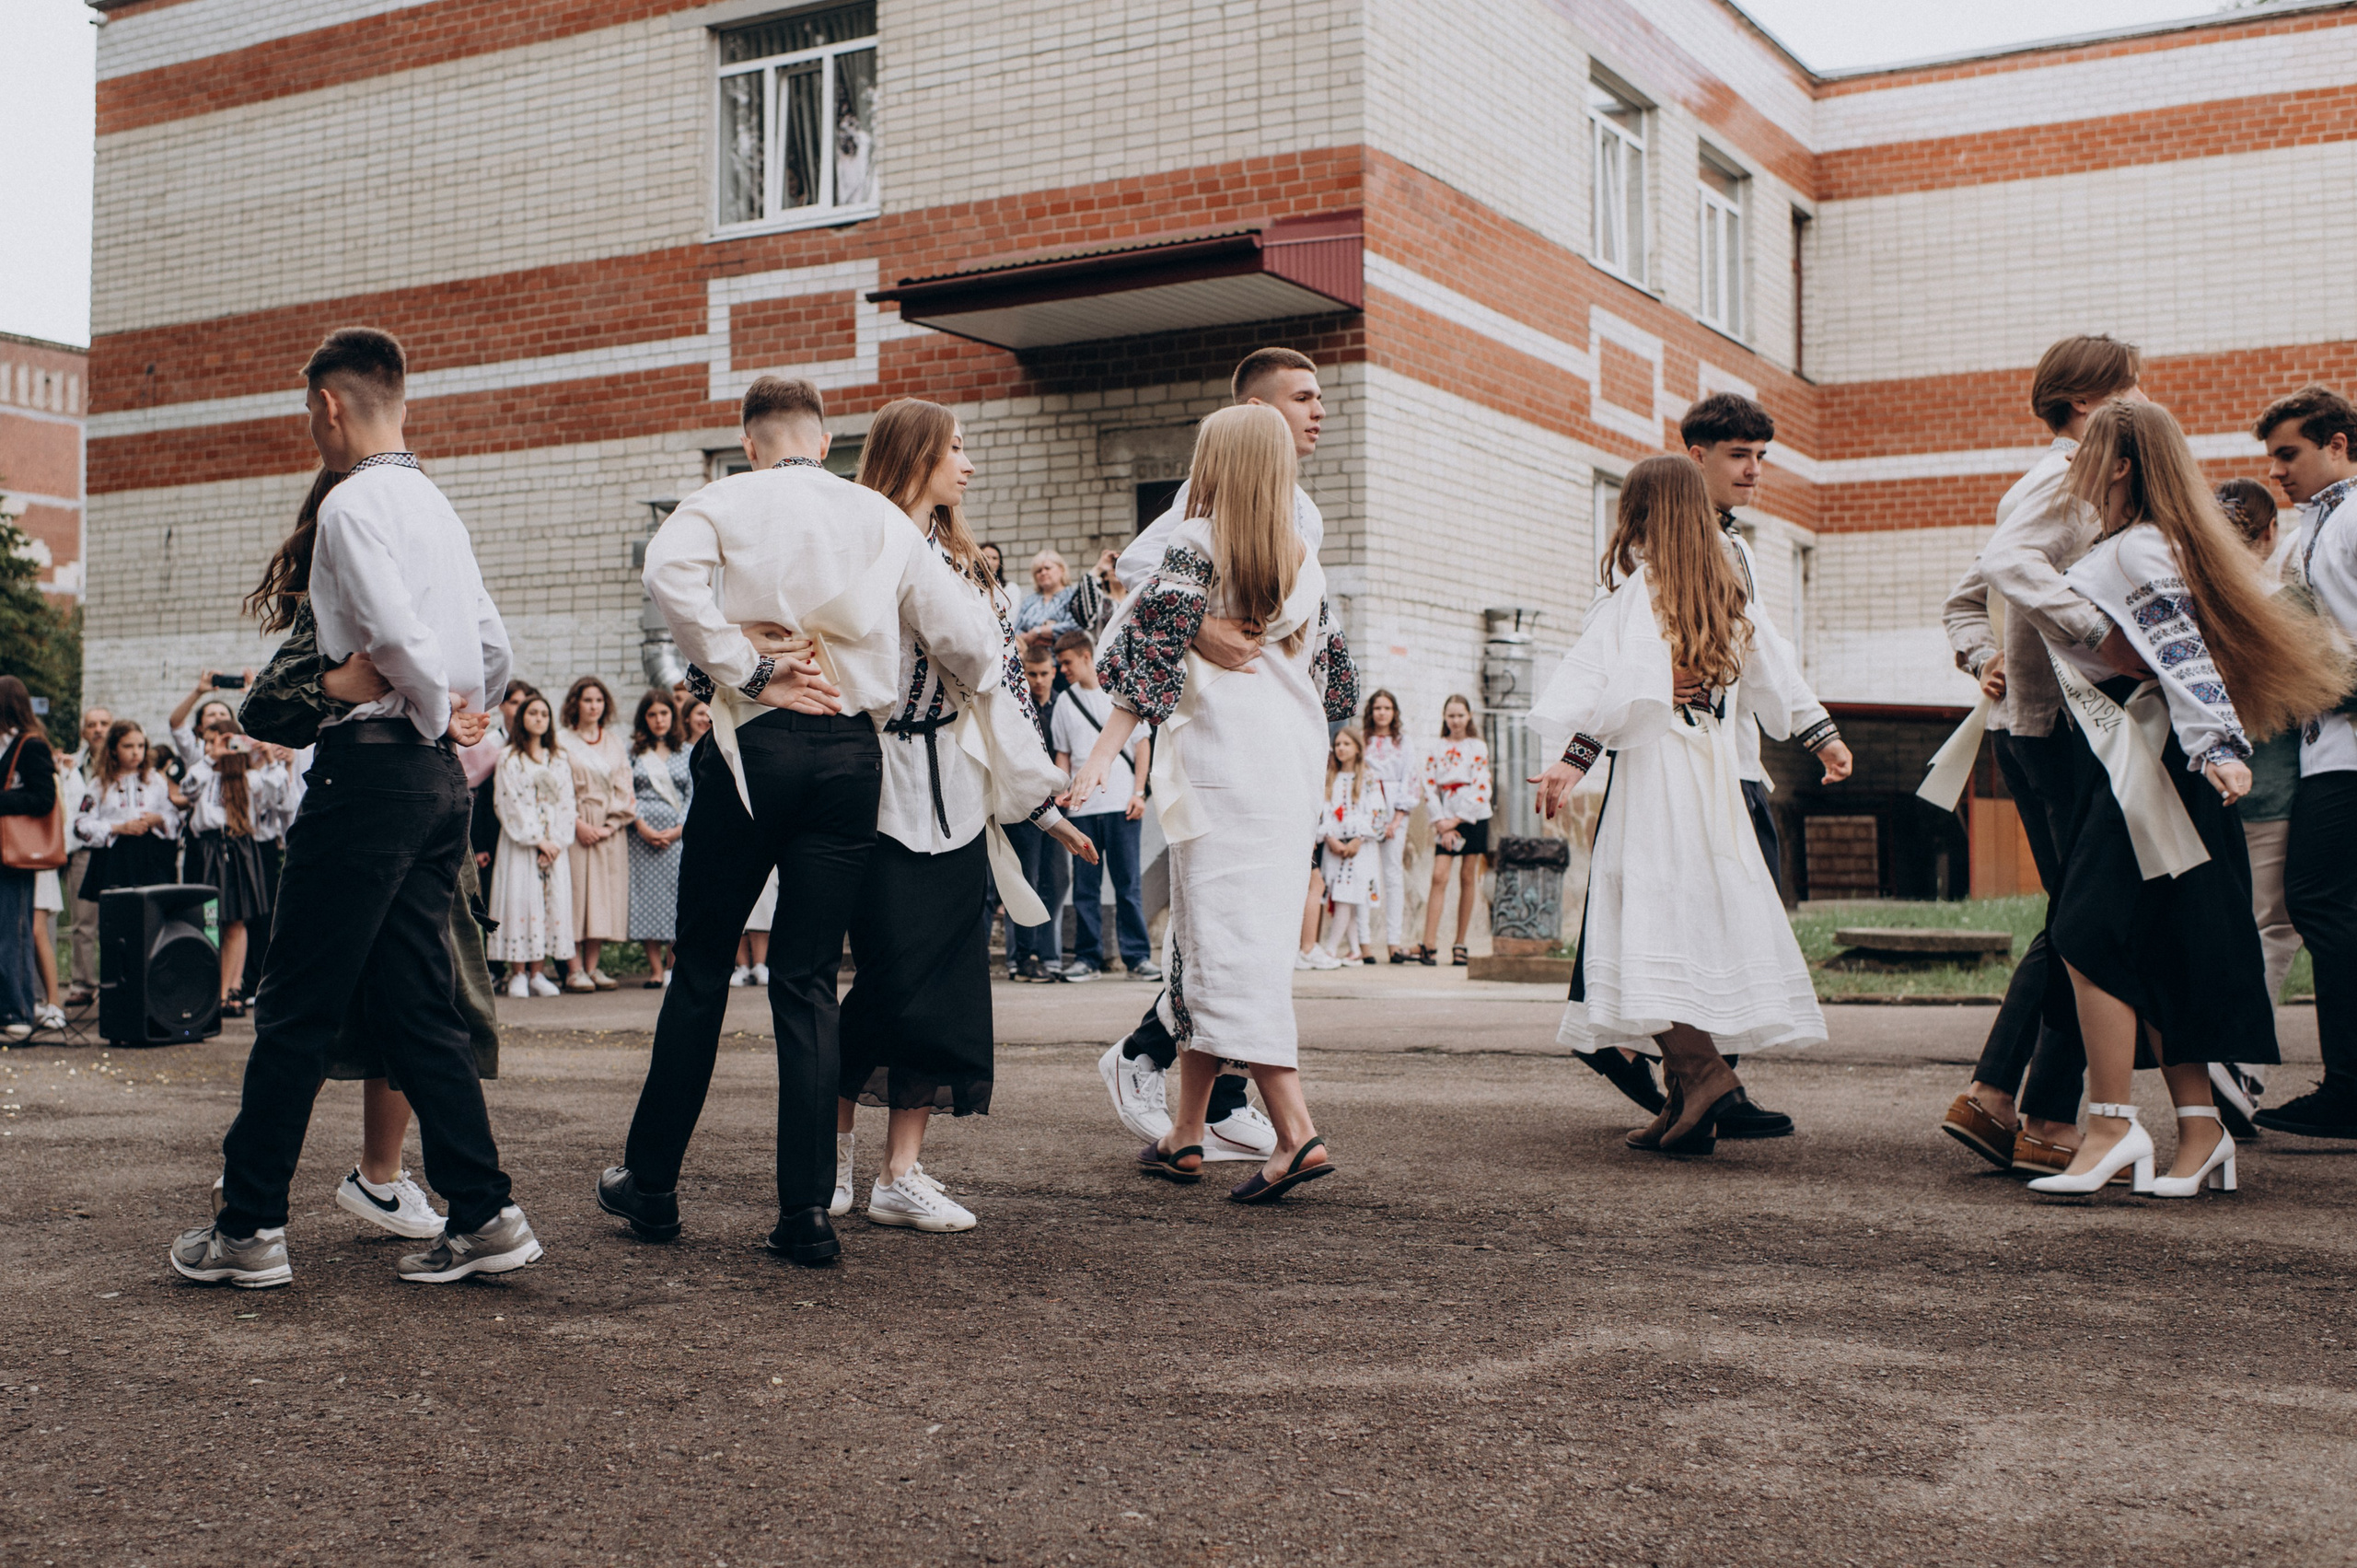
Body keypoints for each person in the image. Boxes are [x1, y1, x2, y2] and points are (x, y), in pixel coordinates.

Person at [601, 374, 1018, 1266]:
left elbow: (664, 572)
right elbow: (977, 648)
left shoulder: (723, 497)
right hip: (850, 757)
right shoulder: (880, 519)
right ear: (824, 440)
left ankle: (654, 1184)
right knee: (805, 979)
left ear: (750, 442)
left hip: (755, 750)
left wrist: (747, 666)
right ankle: (804, 1213)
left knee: (705, 968)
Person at [172, 326, 538, 1288]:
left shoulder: (350, 506)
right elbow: (489, 645)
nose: (309, 426)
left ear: (329, 406)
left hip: (370, 773)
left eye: (307, 410)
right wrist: (461, 710)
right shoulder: (435, 504)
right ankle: (485, 1209)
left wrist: (421, 698)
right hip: (434, 783)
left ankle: (248, 1226)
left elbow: (396, 634)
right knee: (421, 1004)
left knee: (294, 1003)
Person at [2023, 400, 2347, 1198]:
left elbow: (2178, 650)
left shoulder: (2138, 549)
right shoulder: (2145, 542)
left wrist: (2218, 746)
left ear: (2124, 466)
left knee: (2086, 932)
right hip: (2149, 754)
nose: (2075, 467)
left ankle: (2108, 1124)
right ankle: (2200, 1131)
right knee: (2164, 940)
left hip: (2158, 760)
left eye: (2088, 454)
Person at [1075, 401, 1358, 1202]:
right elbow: (1340, 683)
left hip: (1223, 769)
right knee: (1218, 943)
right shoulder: (1305, 558)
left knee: (1228, 952)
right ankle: (1186, 1133)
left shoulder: (1195, 543)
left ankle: (1296, 1133)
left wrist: (1103, 753)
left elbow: (1150, 653)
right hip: (1289, 766)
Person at [831, 398, 1093, 1233]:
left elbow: (998, 691)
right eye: (954, 448)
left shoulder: (961, 556)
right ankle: (828, 1158)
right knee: (883, 981)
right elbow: (979, 656)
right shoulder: (868, 538)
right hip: (877, 783)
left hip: (956, 786)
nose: (968, 463)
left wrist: (1043, 807)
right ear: (916, 456)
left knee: (944, 985)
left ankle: (899, 1172)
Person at [1529, 456, 1827, 1156]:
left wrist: (1568, 765)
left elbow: (1610, 687)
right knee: (1680, 921)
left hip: (1659, 778)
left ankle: (1705, 1075)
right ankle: (1686, 1096)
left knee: (1644, 919)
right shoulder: (1725, 588)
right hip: (1713, 779)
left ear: (1640, 515)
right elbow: (1772, 677)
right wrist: (1821, 735)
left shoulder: (1643, 590)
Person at [235, 531, 507, 1245]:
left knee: (341, 1005)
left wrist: (439, 707)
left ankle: (267, 1207)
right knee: (404, 1001)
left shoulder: (379, 542)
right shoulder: (405, 554)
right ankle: (471, 1207)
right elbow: (491, 650)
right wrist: (429, 705)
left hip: (385, 791)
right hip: (418, 788)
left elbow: (475, 658)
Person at [1937, 335, 2147, 1176]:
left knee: (2077, 917)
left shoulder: (2049, 480)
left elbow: (1966, 598)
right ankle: (2032, 1111)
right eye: (2134, 389)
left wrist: (1978, 650)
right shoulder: (2069, 478)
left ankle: (2008, 1104)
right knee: (2088, 922)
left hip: (2042, 731)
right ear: (2093, 403)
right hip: (2060, 733)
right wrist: (2098, 633)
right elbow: (1998, 570)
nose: (2145, 402)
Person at [2251, 385, 2357, 1142]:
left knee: (2316, 898)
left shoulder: (2352, 519)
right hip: (2327, 745)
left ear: (2339, 444)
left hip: (2349, 746)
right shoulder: (2317, 525)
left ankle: (2350, 1087)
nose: (2276, 471)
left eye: (2289, 453)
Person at [2212, 478, 2298, 1132]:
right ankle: (2241, 1066)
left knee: (2221, 923)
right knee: (2271, 930)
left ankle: (2225, 1060)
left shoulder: (2198, 604)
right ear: (2270, 534)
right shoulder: (2287, 605)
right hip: (2273, 788)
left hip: (2204, 792)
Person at [1049, 628, 1155, 981]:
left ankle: (1137, 958)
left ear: (1085, 656)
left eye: (1066, 662)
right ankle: (1088, 959)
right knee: (1085, 888)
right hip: (1082, 810)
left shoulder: (1117, 692)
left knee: (1128, 885)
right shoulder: (1065, 701)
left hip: (1123, 802)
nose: (1062, 669)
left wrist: (1139, 792)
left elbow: (1141, 744)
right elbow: (1063, 755)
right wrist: (1062, 793)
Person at [180, 715, 281, 1017]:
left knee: (237, 919)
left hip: (237, 847)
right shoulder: (203, 774)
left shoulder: (248, 779)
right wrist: (210, 758)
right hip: (206, 848)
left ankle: (230, 988)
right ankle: (212, 988)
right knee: (209, 919)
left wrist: (269, 756)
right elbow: (186, 790)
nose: (215, 747)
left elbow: (278, 795)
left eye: (222, 741)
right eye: (209, 742)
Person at [486, 690, 575, 998]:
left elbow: (567, 802)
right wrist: (537, 839)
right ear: (522, 718)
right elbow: (508, 803)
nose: (539, 718)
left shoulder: (559, 758)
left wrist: (555, 842)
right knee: (520, 902)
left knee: (549, 905)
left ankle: (538, 972)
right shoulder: (510, 758)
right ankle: (518, 972)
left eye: (544, 714)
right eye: (532, 713)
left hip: (554, 848)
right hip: (521, 845)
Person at [559, 675, 633, 992]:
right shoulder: (561, 740)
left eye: (599, 700)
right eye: (588, 699)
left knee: (602, 897)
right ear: (575, 703)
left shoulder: (614, 741)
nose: (593, 706)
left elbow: (624, 785)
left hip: (608, 828)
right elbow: (557, 786)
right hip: (576, 826)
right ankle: (573, 968)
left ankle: (593, 966)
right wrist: (578, 824)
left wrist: (610, 825)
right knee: (576, 895)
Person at [1005, 643, 1072, 981]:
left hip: (1058, 807)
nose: (1039, 680)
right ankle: (1021, 959)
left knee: (1058, 881)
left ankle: (1048, 957)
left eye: (1045, 673)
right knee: (1025, 882)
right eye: (1032, 674)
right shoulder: (1016, 704)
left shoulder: (1064, 703)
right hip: (1024, 809)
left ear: (1054, 670)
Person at [0, 678, 59, 1043]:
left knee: (14, 933)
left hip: (14, 856)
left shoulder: (30, 746)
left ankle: (18, 1010)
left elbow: (43, 799)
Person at [72, 720, 180, 907]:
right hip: (116, 859)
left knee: (151, 913)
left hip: (150, 857)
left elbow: (173, 817)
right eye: (128, 746)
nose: (136, 752)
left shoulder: (155, 780)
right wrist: (118, 827)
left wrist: (158, 819)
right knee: (119, 913)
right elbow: (82, 825)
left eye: (140, 746)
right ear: (113, 749)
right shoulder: (99, 785)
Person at [1417, 694, 1490, 966]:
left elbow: (1483, 784)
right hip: (1445, 813)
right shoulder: (1437, 747)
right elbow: (1429, 785)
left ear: (1469, 716)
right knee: (1439, 875)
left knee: (1468, 876)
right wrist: (1442, 822)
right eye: (1451, 715)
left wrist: (1457, 820)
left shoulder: (1478, 747)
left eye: (1460, 715)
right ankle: (1429, 943)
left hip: (1472, 815)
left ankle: (1460, 942)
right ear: (1444, 718)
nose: (1456, 720)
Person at [628, 689, 691, 989]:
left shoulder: (687, 752)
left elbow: (693, 795)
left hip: (678, 838)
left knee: (677, 901)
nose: (658, 720)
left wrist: (680, 829)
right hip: (642, 838)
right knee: (646, 900)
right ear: (644, 719)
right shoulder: (634, 754)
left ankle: (673, 966)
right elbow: (626, 793)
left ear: (672, 716)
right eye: (652, 715)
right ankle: (655, 969)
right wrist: (641, 826)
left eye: (663, 713)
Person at [1310, 727, 1386, 966]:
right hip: (1335, 846)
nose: (1341, 748)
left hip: (1360, 846)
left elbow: (1376, 811)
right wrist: (1330, 837)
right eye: (1338, 744)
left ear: (1357, 748)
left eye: (1346, 744)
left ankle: (1331, 949)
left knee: (1349, 894)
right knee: (1341, 894)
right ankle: (1355, 950)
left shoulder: (1368, 777)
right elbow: (1325, 812)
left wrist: (1358, 839)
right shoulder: (1330, 777)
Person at [1360, 690, 1416, 961]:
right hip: (1367, 805)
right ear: (1370, 712)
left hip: (1395, 807)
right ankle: (1363, 942)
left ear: (1394, 712)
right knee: (1364, 873)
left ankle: (1394, 942)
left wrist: (1397, 818)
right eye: (1377, 708)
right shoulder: (1362, 740)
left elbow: (1409, 778)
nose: (1382, 712)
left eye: (1387, 708)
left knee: (1392, 875)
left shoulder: (1403, 742)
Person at [60, 703, 110, 1007]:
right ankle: (83, 982)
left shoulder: (123, 762)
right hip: (81, 851)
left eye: (104, 723)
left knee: (118, 918)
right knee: (83, 921)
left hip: (113, 848)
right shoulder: (74, 767)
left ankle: (119, 981)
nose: (98, 729)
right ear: (84, 732)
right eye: (92, 724)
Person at [1013, 549, 1084, 656]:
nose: (1043, 573)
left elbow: (1076, 626)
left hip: (1062, 662)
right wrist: (1031, 638)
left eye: (1047, 568)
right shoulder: (1029, 601)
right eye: (1038, 571)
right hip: (1032, 661)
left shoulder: (1073, 596)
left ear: (1061, 570)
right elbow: (1016, 630)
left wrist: (1037, 632)